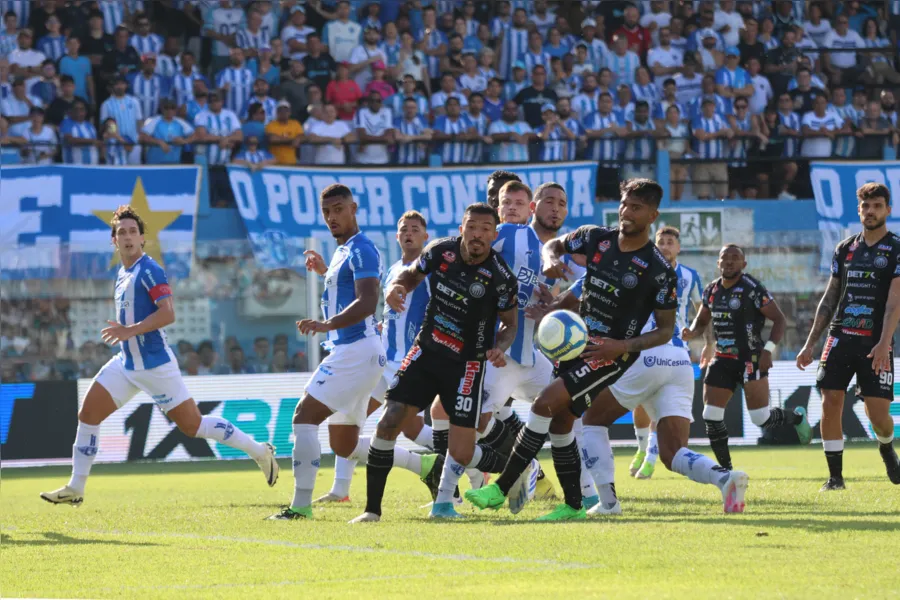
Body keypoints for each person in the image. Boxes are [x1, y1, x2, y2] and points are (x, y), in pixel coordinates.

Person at [466, 179, 678, 521]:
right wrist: (551, 260)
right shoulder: (598, 237)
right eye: (624, 204)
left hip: (609, 355)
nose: (626, 212)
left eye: (636, 207)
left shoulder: (658, 270)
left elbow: (665, 330)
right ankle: (574, 505)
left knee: (543, 404)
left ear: (652, 214)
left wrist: (619, 346)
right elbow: (556, 246)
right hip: (574, 345)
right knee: (562, 423)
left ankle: (500, 488)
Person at [40, 205, 278, 507]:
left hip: (155, 365)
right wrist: (127, 337)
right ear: (114, 240)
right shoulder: (122, 272)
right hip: (126, 364)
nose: (127, 237)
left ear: (142, 239)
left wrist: (130, 331)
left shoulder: (150, 269)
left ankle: (259, 451)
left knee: (193, 427)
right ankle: (76, 487)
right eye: (121, 232)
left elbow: (168, 314)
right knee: (88, 415)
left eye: (132, 232)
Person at [268, 186, 441, 520]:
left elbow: (366, 301)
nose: (332, 217)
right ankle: (426, 465)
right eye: (327, 212)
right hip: (360, 351)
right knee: (344, 444)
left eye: (338, 209)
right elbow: (350, 289)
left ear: (353, 208)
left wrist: (326, 324)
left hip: (355, 350)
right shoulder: (345, 250)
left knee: (304, 416)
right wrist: (324, 272)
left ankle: (300, 506)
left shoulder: (362, 249)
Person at [351, 203, 519, 522]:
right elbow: (411, 276)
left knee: (462, 453)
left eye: (485, 229)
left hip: (467, 365)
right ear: (461, 229)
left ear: (494, 235)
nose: (478, 234)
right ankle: (371, 511)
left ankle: (519, 468)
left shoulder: (501, 277)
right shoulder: (440, 251)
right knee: (389, 422)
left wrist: (500, 346)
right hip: (426, 352)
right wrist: (397, 287)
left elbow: (510, 324)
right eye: (472, 227)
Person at [317, 211, 438, 504]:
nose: (408, 233)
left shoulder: (431, 272)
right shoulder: (395, 269)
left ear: (426, 237)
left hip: (412, 362)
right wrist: (325, 273)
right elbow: (382, 308)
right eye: (403, 229)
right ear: (397, 237)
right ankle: (340, 489)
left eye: (414, 229)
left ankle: (469, 460)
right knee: (348, 414)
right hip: (386, 361)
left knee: (410, 429)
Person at [796, 183, 900, 490]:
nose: (870, 211)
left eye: (877, 206)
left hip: (874, 343)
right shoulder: (845, 249)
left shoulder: (895, 248)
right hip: (840, 337)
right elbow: (830, 298)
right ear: (859, 210)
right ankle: (835, 478)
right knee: (830, 402)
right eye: (866, 207)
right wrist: (809, 343)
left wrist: (884, 343)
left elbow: (895, 302)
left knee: (878, 415)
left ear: (888, 210)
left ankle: (885, 446)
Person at [683, 244, 810, 474]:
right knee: (710, 415)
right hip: (722, 358)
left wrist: (768, 350)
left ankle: (797, 417)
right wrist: (691, 331)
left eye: (735, 258)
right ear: (718, 263)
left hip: (751, 358)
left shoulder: (752, 289)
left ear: (744, 264)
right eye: (725, 258)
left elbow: (779, 320)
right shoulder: (711, 290)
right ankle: (726, 471)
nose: (729, 262)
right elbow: (702, 321)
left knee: (760, 418)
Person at [628, 226, 709, 480]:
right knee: (641, 404)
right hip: (644, 344)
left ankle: (650, 459)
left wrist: (707, 340)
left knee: (662, 402)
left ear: (678, 247)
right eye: (661, 242)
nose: (665, 246)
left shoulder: (689, 276)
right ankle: (643, 449)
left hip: (675, 348)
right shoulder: (642, 271)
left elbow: (703, 311)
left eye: (670, 242)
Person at [99, 74, 142, 164]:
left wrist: (138, 139)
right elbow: (104, 126)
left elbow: (139, 122)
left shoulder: (134, 102)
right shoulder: (106, 104)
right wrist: (119, 139)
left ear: (126, 85)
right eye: (117, 84)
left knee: (135, 172)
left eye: (122, 84)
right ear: (112, 86)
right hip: (115, 145)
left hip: (134, 143)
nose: (120, 87)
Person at [140, 98, 194, 164]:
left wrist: (184, 141)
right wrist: (159, 142)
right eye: (166, 108)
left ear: (176, 110)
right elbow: (142, 137)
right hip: (155, 163)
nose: (169, 110)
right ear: (162, 109)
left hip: (175, 163)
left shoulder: (180, 122)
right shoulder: (154, 121)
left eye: (172, 108)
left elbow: (195, 135)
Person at [354, 90, 394, 165]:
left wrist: (366, 141)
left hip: (382, 159)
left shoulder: (387, 112)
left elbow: (388, 137)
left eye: (378, 101)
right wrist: (382, 138)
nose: (375, 103)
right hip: (363, 160)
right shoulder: (361, 112)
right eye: (372, 100)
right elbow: (362, 137)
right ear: (368, 102)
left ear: (381, 102)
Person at [265, 99, 303, 165]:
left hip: (291, 163)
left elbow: (302, 136)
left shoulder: (295, 124)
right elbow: (272, 139)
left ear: (290, 112)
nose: (283, 113)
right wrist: (293, 140)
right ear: (277, 112)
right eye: (281, 111)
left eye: (286, 111)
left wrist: (298, 139)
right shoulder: (271, 125)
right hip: (274, 163)